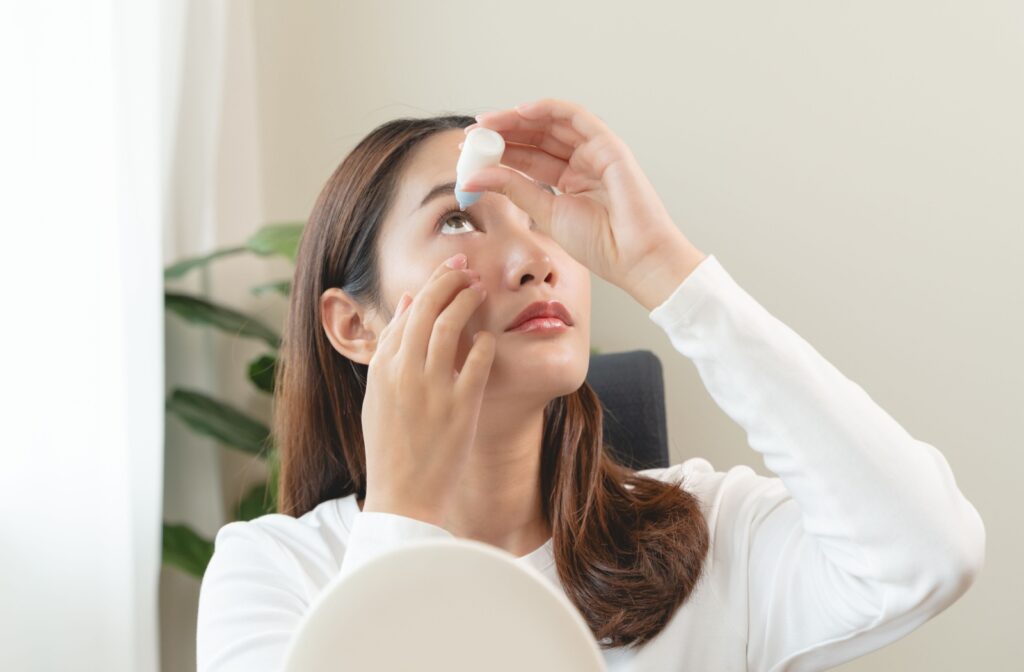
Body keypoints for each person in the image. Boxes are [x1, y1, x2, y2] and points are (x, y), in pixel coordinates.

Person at [196, 98, 985, 671]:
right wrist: (405, 514)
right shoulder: (274, 572)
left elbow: (930, 553)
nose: (537, 257)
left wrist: (667, 272)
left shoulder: (702, 540)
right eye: (461, 220)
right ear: (353, 325)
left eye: (540, 219)